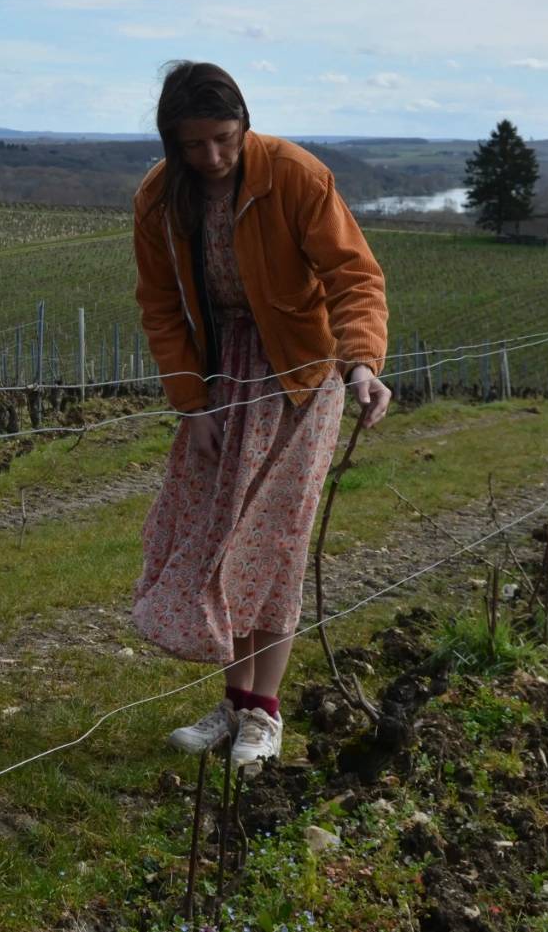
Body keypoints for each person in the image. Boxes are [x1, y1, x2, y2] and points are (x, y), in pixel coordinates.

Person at [131, 61, 390, 772]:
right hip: (221, 379)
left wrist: (361, 363)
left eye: (225, 137)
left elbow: (354, 276)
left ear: (245, 123)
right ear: (172, 141)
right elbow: (160, 306)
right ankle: (233, 702)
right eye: (194, 144)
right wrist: (192, 404)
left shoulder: (296, 176)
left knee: (273, 540)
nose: (213, 156)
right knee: (219, 535)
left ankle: (263, 713)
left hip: (300, 377)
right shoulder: (158, 198)